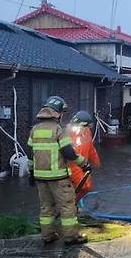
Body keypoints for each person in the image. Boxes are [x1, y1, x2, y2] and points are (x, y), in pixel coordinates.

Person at [28, 96, 90, 245]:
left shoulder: (34, 130)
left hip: (40, 178)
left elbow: (30, 154)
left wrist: (31, 173)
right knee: (68, 206)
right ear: (57, 113)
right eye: (62, 112)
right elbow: (69, 153)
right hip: (58, 179)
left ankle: (47, 236)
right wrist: (84, 163)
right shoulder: (58, 130)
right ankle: (71, 237)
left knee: (46, 207)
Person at [67, 111, 101, 202]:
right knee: (83, 186)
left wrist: (96, 161)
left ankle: (73, 204)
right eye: (87, 126)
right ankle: (70, 206)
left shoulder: (86, 132)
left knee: (84, 187)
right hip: (73, 169)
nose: (88, 128)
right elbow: (73, 158)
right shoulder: (68, 135)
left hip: (82, 167)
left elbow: (90, 148)